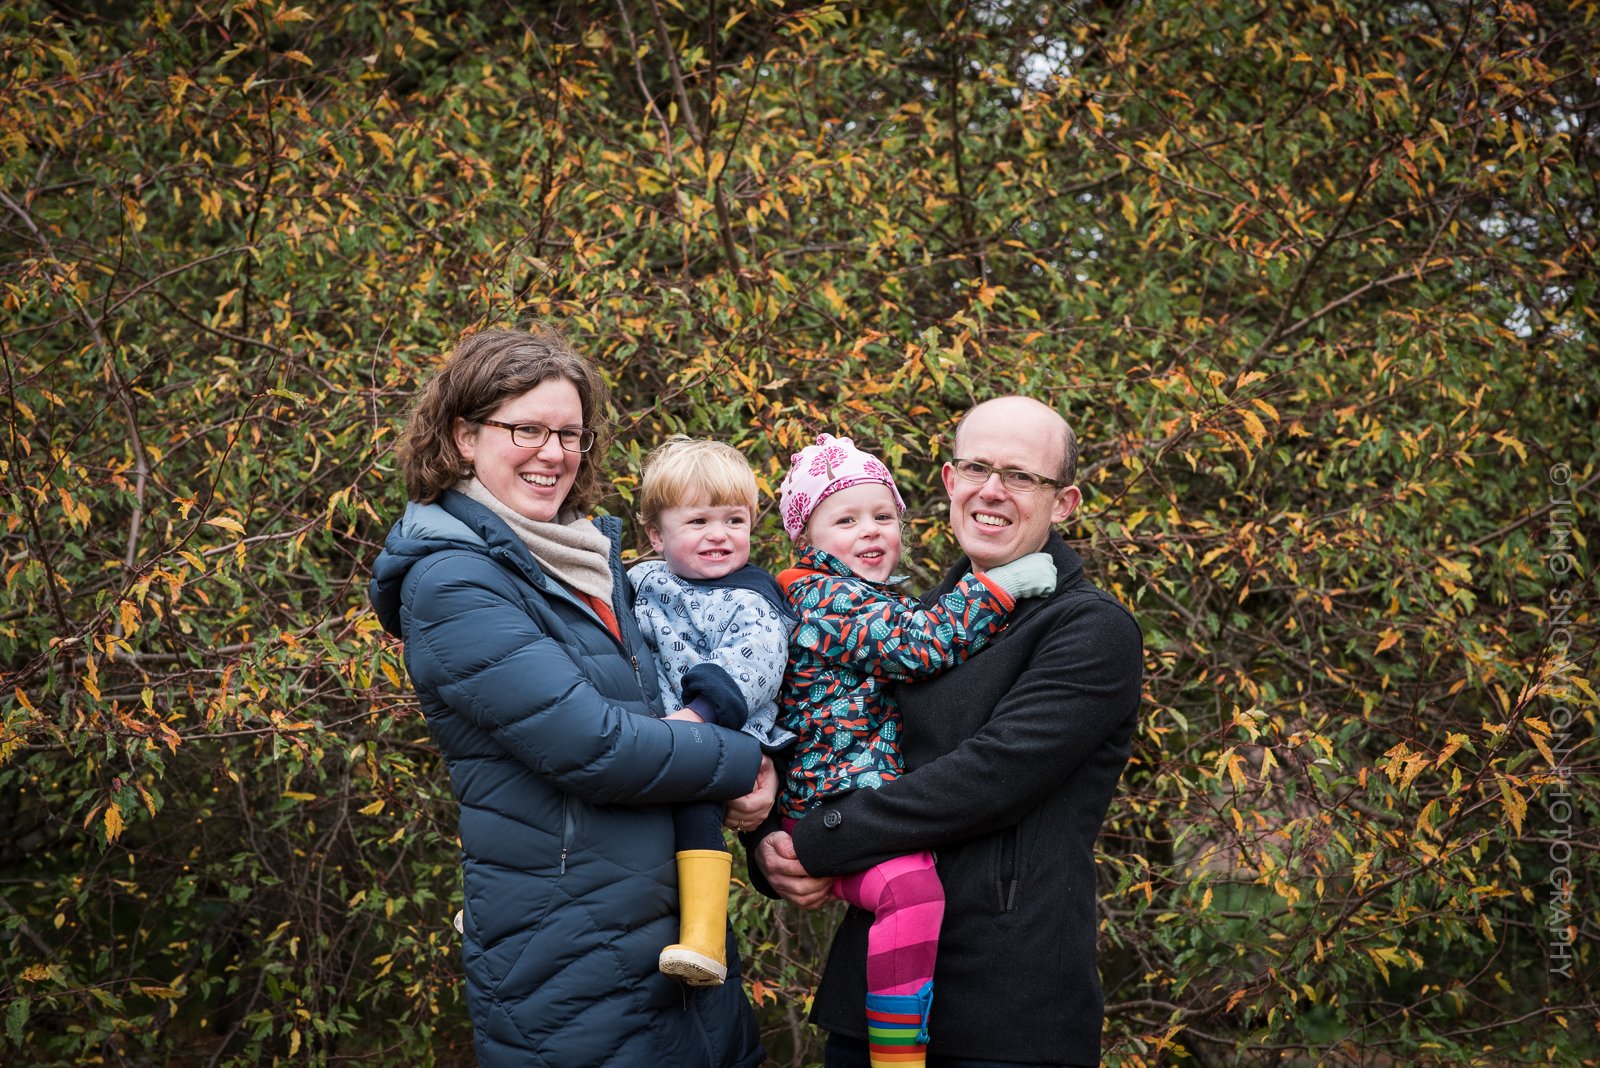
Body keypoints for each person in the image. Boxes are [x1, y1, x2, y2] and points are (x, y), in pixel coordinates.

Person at [368, 326, 770, 1067]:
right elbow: (597, 747)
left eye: (570, 433)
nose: (553, 453)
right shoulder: (454, 583)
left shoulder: (584, 560)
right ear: (463, 436)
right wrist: (744, 759)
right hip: (570, 960)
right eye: (526, 428)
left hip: (671, 944)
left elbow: (668, 714)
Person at [753, 399, 1143, 1068]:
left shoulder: (1090, 632)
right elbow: (814, 724)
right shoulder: (908, 620)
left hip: (1003, 1009)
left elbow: (988, 776)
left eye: (1021, 476)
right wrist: (769, 843)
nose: (993, 490)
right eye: (977, 467)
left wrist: (821, 836)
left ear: (1065, 502)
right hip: (870, 1002)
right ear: (949, 481)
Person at [772, 433, 1058, 1068]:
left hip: (847, 803)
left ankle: (898, 1051)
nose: (870, 531)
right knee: (912, 892)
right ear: (806, 539)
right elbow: (920, 646)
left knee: (911, 894)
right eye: (845, 520)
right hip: (834, 799)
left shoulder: (873, 599)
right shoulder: (820, 595)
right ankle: (898, 1056)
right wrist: (1003, 588)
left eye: (883, 516)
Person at [627, 436, 797, 986]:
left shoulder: (753, 599)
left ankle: (703, 939)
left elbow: (753, 665)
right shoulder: (644, 580)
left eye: (735, 520)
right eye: (698, 521)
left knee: (697, 813)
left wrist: (697, 716)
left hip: (725, 732)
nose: (720, 535)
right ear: (657, 535)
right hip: (660, 736)